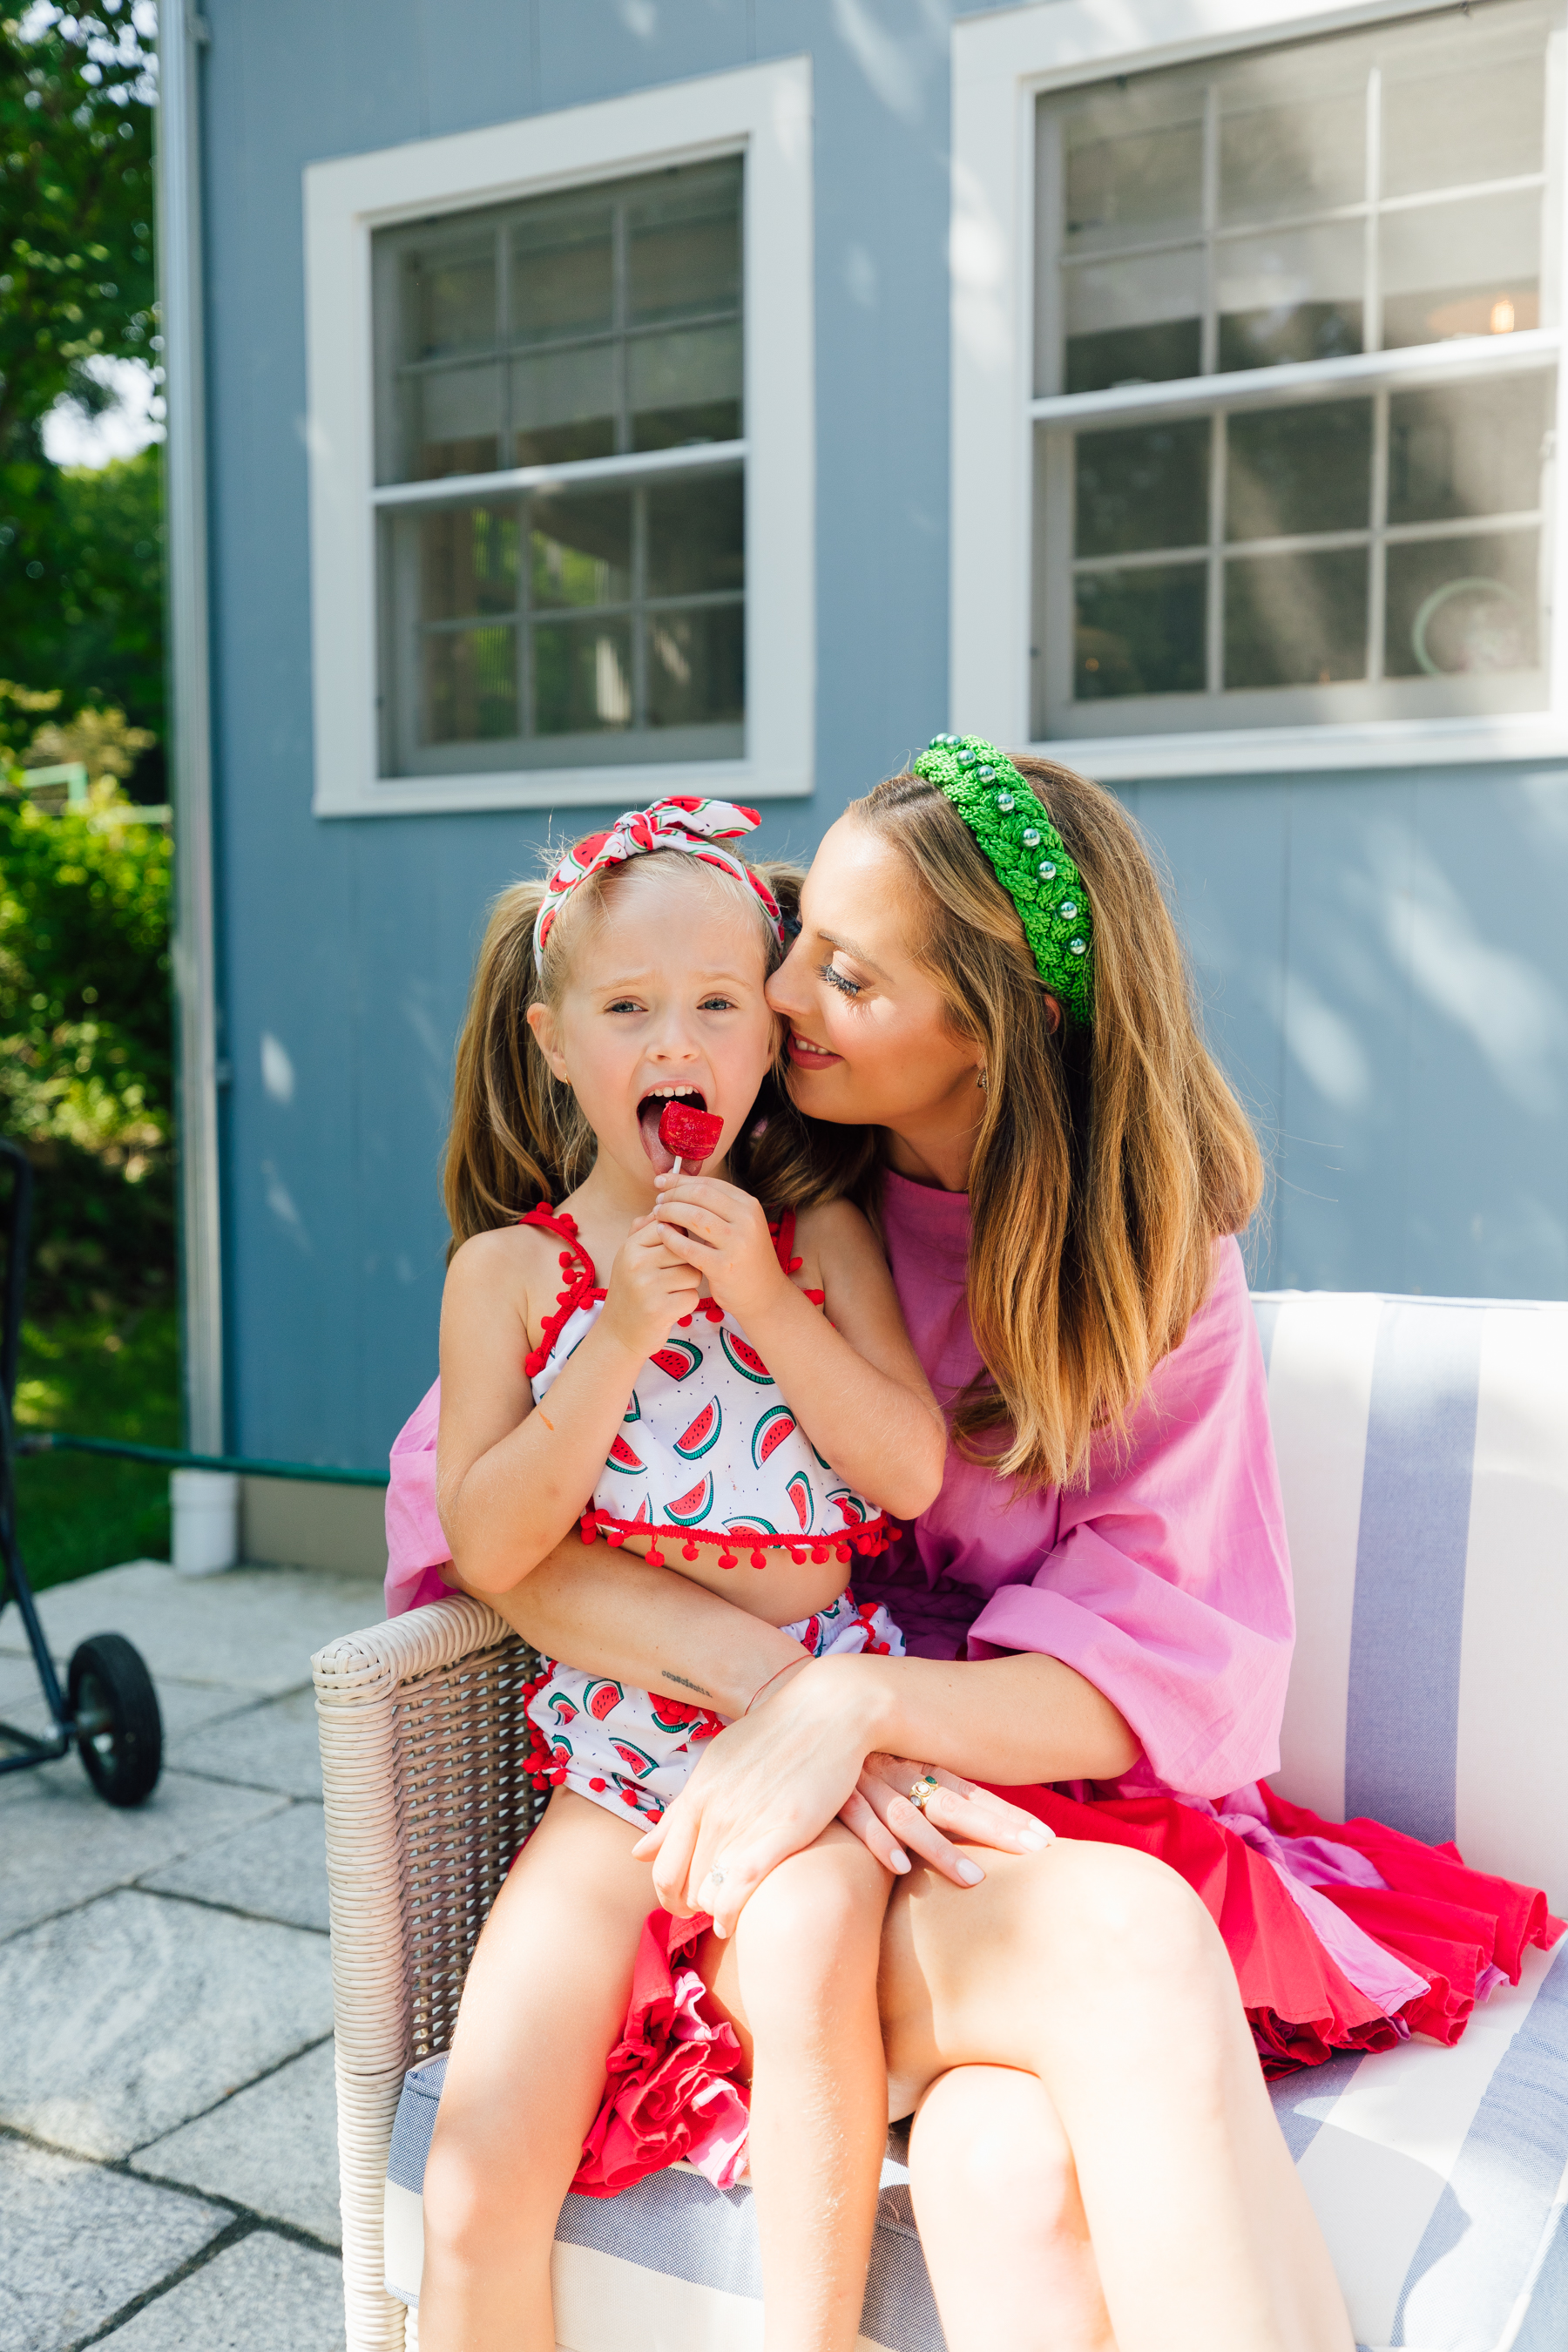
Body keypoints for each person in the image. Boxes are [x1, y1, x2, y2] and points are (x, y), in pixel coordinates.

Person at [389, 740, 1562, 2352]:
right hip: (748, 1818)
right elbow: (488, 1527)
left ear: (990, 1037)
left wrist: (852, 1709)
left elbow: (1172, 1661)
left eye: (841, 974)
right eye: (794, 943)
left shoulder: (1123, 1274)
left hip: (965, 1811)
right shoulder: (747, 1165)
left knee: (1011, 2171)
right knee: (1127, 1944)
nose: (780, 987)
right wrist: (773, 1687)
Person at [413, 794, 966, 2352]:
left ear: (767, 1039)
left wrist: (767, 1309)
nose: (682, 1039)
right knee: (479, 2153)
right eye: (632, 1007)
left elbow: (909, 1474)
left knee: (806, 1971)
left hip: (809, 1743)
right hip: (618, 1760)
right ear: (554, 1039)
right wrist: (622, 1346)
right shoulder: (511, 1278)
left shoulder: (817, 1240)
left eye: (721, 1003)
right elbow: (495, 1542)